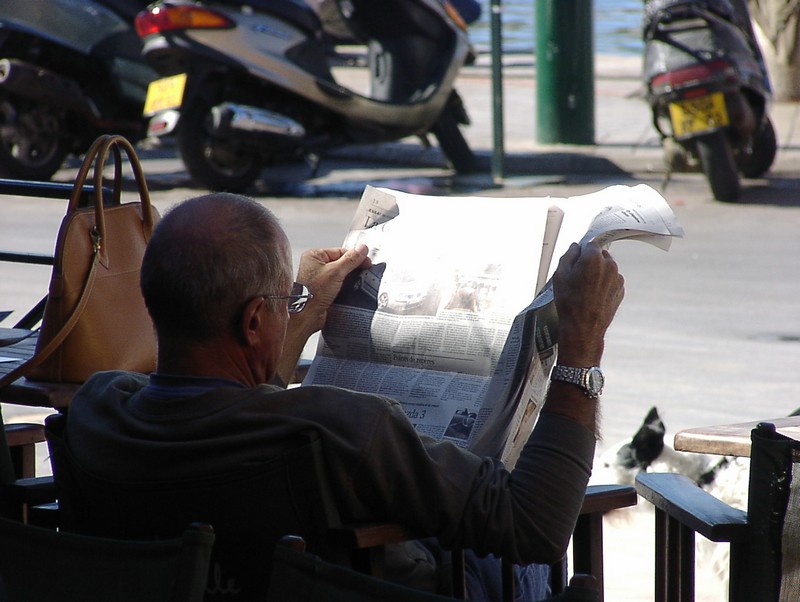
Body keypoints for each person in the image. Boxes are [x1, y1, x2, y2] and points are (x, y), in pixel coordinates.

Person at [66, 193, 624, 601]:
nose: (292, 308)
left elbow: (228, 402)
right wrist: (581, 350)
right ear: (256, 319)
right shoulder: (340, 431)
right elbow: (534, 527)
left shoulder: (97, 411)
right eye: (284, 300)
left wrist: (304, 314)